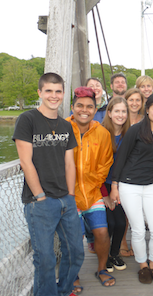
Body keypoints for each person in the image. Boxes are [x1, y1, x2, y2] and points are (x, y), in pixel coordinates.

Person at [13, 72, 84, 296]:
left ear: (63, 94)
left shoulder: (66, 126)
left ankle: (62, 291)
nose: (54, 96)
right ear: (40, 93)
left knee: (75, 252)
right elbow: (26, 161)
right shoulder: (28, 119)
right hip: (39, 202)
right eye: (49, 91)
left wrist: (71, 196)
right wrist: (40, 196)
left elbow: (70, 164)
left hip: (66, 200)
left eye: (58, 91)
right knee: (45, 259)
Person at [110, 93, 153, 284]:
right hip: (129, 185)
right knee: (137, 230)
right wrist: (114, 186)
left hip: (151, 186)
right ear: (147, 110)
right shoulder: (135, 130)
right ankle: (143, 265)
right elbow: (120, 159)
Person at [66, 87, 115, 288]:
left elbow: (106, 162)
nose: (84, 110)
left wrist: (91, 182)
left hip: (93, 193)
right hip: (69, 194)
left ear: (95, 110)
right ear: (72, 107)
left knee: (102, 233)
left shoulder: (102, 133)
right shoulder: (62, 129)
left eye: (89, 106)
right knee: (74, 237)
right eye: (79, 105)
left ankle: (102, 269)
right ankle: (73, 275)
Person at [102, 97, 131, 273]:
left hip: (121, 186)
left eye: (123, 111)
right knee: (109, 224)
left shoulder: (130, 135)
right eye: (117, 111)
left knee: (120, 223)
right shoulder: (101, 133)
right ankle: (104, 256)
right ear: (110, 113)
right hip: (103, 186)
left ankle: (114, 254)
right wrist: (105, 193)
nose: (120, 115)